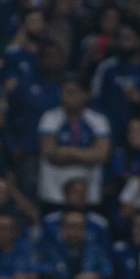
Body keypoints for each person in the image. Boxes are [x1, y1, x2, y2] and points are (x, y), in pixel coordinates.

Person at [37, 76, 111, 208]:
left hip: (89, 193)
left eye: (72, 92)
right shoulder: (50, 118)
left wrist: (66, 152)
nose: (66, 97)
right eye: (64, 92)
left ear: (85, 95)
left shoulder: (98, 120)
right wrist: (87, 156)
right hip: (53, 191)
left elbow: (101, 155)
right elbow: (49, 153)